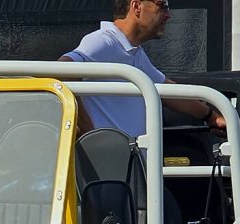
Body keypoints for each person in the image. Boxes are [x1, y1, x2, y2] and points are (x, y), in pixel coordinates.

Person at [60, 0, 226, 138]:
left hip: (125, 164)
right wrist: (89, 132)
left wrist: (211, 117)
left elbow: (167, 91)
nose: (168, 15)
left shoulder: (134, 52)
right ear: (137, 6)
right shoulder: (103, 41)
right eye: (162, 6)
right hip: (106, 163)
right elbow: (62, 71)